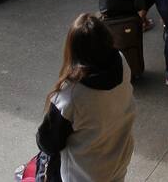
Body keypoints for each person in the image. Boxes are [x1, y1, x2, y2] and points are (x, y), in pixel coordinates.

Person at [36, 13, 135, 182]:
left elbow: (48, 142)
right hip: (119, 160)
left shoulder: (71, 95)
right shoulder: (121, 62)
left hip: (85, 174)